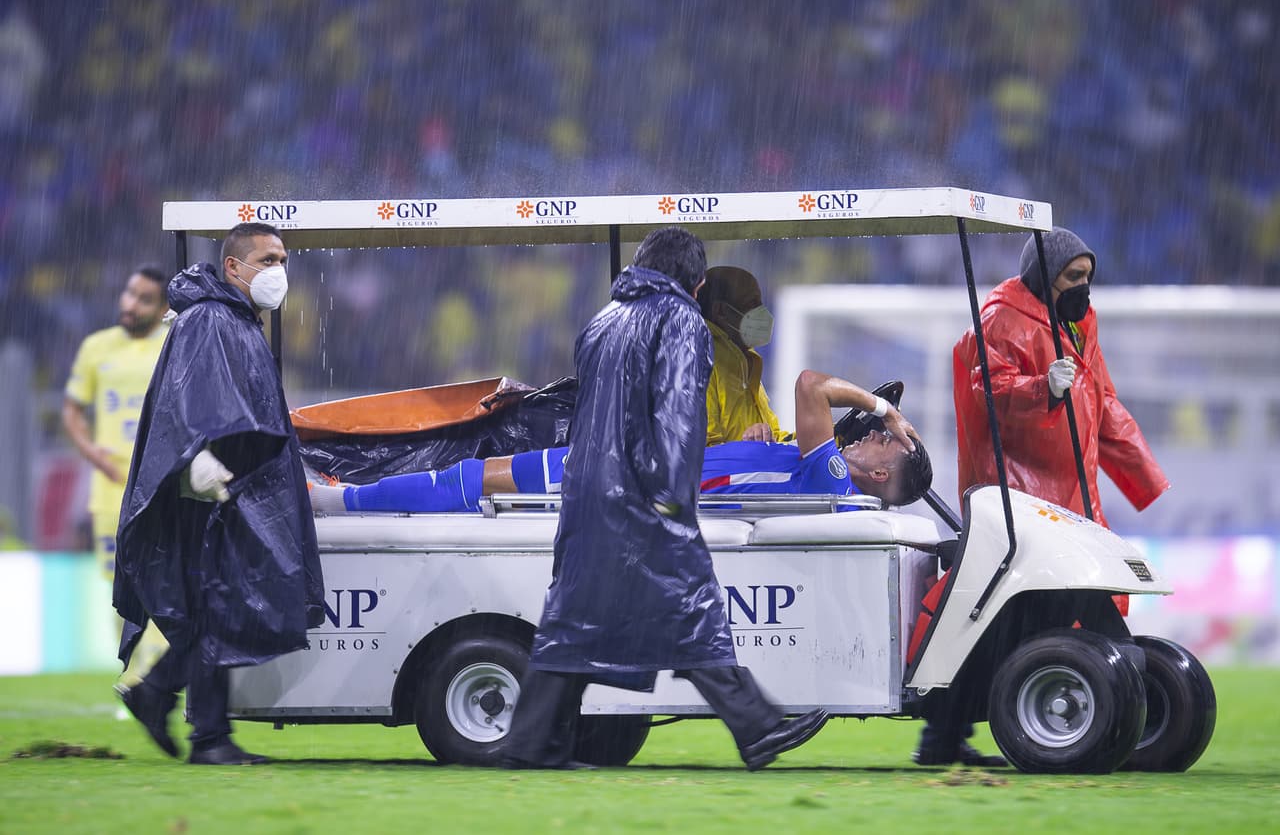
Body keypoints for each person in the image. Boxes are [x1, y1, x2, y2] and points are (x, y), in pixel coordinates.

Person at [491, 226, 832, 771]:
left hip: (587, 496)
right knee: (693, 607)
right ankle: (757, 727)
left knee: (572, 621)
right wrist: (674, 496)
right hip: (646, 496)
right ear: (694, 284)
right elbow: (677, 414)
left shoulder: (601, 322)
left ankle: (529, 745)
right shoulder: (681, 320)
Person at [932, 226, 1170, 769]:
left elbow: (1101, 400)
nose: (1084, 286)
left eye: (1088, 276)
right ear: (1045, 275)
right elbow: (985, 391)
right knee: (1018, 616)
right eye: (1073, 276)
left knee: (1023, 618)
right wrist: (1042, 387)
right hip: (1020, 494)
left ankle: (948, 734)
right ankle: (1126, 702)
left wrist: (1142, 474)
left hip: (1066, 497)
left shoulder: (1079, 322)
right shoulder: (1000, 319)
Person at [113, 222, 325, 766]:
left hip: (231, 490)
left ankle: (167, 702)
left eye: (283, 260)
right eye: (268, 259)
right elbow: (184, 397)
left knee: (217, 607)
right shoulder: (210, 318)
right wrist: (196, 457)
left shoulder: (235, 319)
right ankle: (199, 730)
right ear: (233, 267)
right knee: (221, 605)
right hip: (212, 494)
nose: (279, 270)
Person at [309, 368, 933, 514]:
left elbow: (811, 385)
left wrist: (883, 406)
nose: (880, 433)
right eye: (887, 431)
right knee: (485, 476)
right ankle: (344, 497)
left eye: (889, 443)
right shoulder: (823, 477)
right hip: (644, 474)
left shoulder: (833, 483)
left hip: (634, 480)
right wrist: (760, 447)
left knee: (477, 480)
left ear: (881, 475)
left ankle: (336, 501)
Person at [62, 266, 170, 687]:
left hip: (158, 487)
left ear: (162, 308)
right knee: (118, 587)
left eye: (144, 299)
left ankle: (152, 677)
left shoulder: (172, 344)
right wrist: (91, 452)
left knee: (162, 580)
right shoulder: (96, 347)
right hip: (109, 492)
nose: (131, 304)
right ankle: (133, 676)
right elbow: (72, 409)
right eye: (129, 293)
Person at [699, 265, 790, 444]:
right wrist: (747, 448)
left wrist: (825, 437)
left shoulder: (745, 361)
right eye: (752, 303)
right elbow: (705, 452)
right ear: (721, 312)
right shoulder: (702, 363)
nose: (763, 312)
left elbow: (775, 438)